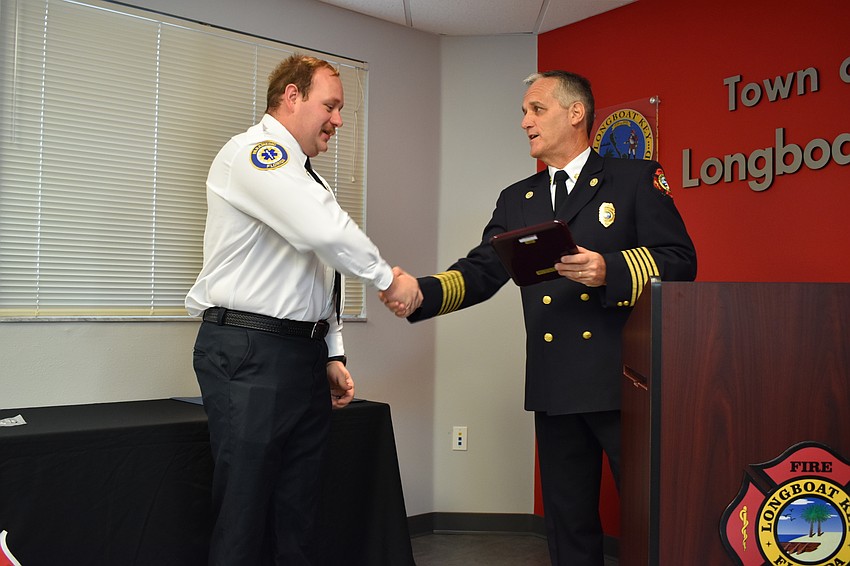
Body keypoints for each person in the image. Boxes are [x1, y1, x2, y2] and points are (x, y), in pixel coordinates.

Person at [383, 71, 697, 566]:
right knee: (568, 525)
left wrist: (608, 268)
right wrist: (420, 293)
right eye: (523, 113)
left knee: (652, 514)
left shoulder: (633, 179)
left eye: (536, 109)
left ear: (576, 113)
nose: (524, 121)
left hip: (625, 382)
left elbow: (681, 261)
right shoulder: (518, 199)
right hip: (556, 382)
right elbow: (483, 271)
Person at [185, 54, 421, 566]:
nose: (338, 120)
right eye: (330, 105)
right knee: (244, 513)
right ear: (292, 97)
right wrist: (388, 277)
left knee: (299, 513)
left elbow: (318, 271)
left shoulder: (307, 178)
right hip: (249, 353)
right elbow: (321, 233)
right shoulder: (255, 153)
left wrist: (332, 352)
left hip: (300, 356)